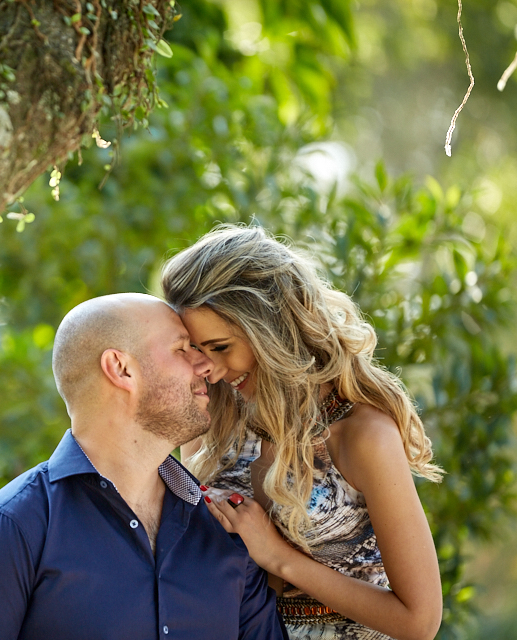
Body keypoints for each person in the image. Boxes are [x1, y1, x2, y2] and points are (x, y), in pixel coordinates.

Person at [0, 293, 288, 640]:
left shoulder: (225, 533)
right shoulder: (10, 530)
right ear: (121, 368)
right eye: (182, 349)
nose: (206, 365)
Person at [160, 225, 444, 640]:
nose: (213, 370)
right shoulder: (216, 418)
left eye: (221, 347)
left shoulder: (362, 436)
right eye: (199, 351)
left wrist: (278, 557)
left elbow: (419, 622)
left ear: (272, 330)